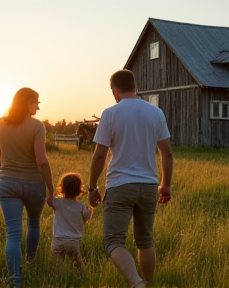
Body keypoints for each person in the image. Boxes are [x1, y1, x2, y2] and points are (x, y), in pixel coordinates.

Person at [88, 69, 173, 288]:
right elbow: (167, 153)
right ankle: (149, 283)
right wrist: (166, 185)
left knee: (113, 241)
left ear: (114, 91)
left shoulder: (110, 113)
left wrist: (91, 187)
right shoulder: (156, 113)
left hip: (120, 186)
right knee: (145, 240)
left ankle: (136, 282)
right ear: (135, 87)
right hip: (149, 186)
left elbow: (99, 156)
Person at [0, 87, 54, 288]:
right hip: (34, 185)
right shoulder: (37, 126)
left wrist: (6, 175)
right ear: (27, 102)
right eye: (36, 102)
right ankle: (30, 262)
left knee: (13, 233)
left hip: (7, 184)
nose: (38, 106)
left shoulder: (0, 123)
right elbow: (42, 161)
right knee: (34, 223)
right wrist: (51, 189)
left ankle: (16, 282)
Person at [51, 172, 93, 272]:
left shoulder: (58, 202)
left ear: (62, 187)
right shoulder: (81, 207)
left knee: (58, 265)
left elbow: (50, 200)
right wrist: (90, 210)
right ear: (79, 190)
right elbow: (87, 217)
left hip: (58, 240)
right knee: (79, 264)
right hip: (72, 241)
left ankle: (57, 281)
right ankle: (84, 278)